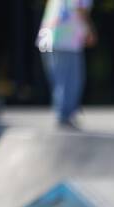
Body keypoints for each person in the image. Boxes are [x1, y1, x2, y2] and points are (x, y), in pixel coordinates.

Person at [36, 0, 96, 129]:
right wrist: (89, 31)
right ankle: (64, 115)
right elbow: (79, 8)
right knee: (71, 79)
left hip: (48, 36)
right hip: (65, 38)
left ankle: (63, 113)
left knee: (60, 78)